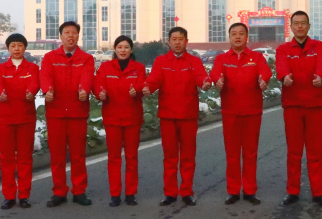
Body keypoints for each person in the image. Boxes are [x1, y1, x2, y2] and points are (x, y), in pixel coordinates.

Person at [143, 27, 211, 206]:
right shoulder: (161, 61)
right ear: (169, 42)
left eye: (181, 39)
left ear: (186, 41)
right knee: (170, 156)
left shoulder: (194, 61)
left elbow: (201, 77)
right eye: (174, 39)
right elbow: (154, 80)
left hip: (188, 115)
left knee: (188, 156)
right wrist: (148, 88)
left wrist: (205, 83)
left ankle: (187, 191)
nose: (178, 42)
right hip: (168, 115)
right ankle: (170, 192)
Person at [209, 23, 272, 205]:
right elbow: (215, 73)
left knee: (250, 153)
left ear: (247, 37)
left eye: (241, 34)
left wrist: (263, 79)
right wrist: (218, 80)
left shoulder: (256, 57)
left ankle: (250, 190)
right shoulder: (222, 58)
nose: (237, 37)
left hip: (252, 111)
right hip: (230, 112)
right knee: (232, 153)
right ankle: (233, 190)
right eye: (234, 34)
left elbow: (265, 71)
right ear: (229, 37)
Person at [275, 11, 322, 207]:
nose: (300, 27)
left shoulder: (319, 47)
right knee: (294, 152)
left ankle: (318, 192)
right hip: (292, 104)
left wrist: (320, 76)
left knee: (315, 151)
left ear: (308, 26)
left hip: (314, 104)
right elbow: (281, 66)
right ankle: (292, 190)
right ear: (291, 27)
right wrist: (285, 76)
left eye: (303, 23)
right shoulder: (283, 49)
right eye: (296, 23)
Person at [39, 21, 95, 207]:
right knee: (57, 155)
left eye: (73, 33)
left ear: (78, 36)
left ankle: (79, 191)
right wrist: (47, 90)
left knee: (78, 155)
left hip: (77, 111)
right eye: (66, 32)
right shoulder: (50, 57)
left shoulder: (86, 58)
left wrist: (84, 90)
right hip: (55, 112)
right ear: (61, 36)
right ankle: (59, 191)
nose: (70, 36)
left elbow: (87, 77)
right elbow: (45, 76)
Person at [93, 36, 147, 207]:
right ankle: (115, 194)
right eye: (119, 47)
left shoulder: (138, 68)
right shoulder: (105, 67)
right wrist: (100, 93)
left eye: (126, 47)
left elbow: (143, 85)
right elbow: (98, 84)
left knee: (132, 157)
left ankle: (131, 193)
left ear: (131, 50)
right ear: (115, 49)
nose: (123, 50)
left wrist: (136, 90)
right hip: (112, 117)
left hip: (132, 117)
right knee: (114, 158)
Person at [0, 33, 40, 210]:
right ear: (8, 48)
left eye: (20, 45)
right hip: (5, 118)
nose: (16, 49)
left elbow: (35, 84)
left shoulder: (32, 68)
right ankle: (9, 195)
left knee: (25, 157)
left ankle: (24, 195)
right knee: (7, 158)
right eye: (13, 46)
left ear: (25, 48)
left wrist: (31, 92)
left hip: (26, 117)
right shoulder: (1, 68)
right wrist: (0, 93)